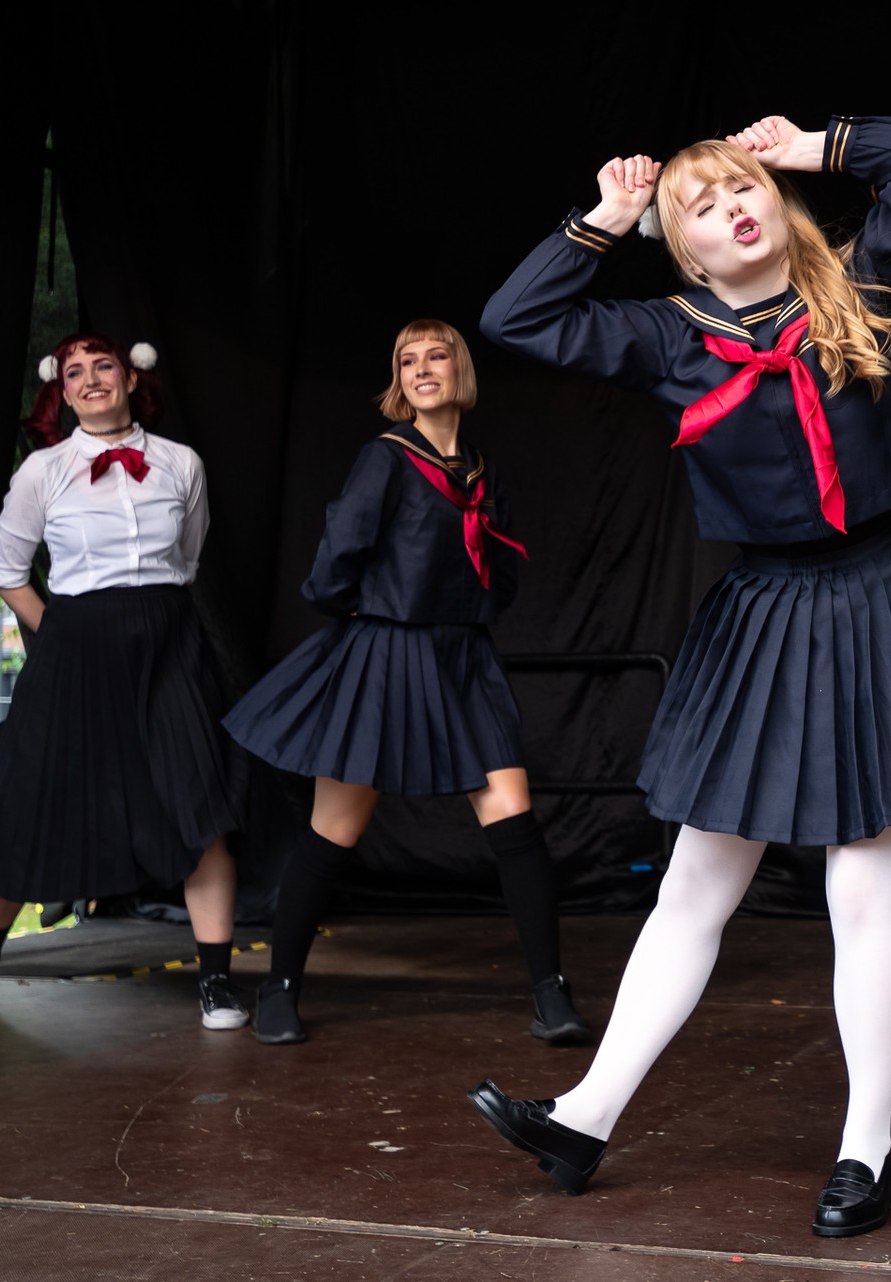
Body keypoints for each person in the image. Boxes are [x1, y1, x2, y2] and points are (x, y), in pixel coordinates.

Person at [465, 115, 891, 1238]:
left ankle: (867, 1151)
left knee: (860, 891)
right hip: (766, 616)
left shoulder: (854, 287)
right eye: (703, 204)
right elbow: (514, 318)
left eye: (745, 188)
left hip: (881, 603)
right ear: (681, 247)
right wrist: (606, 218)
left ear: (776, 201)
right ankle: (584, 1118)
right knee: (691, 888)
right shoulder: (666, 336)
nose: (734, 207)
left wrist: (810, 144)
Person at [222, 320, 589, 1049]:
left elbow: (501, 574)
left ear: (459, 371)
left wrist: (467, 614)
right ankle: (279, 987)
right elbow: (335, 560)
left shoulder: (481, 469)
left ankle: (552, 993)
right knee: (336, 828)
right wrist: (370, 612)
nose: (422, 368)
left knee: (514, 819)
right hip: (387, 654)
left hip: (465, 659)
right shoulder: (385, 458)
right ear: (399, 381)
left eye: (436, 355)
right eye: (407, 360)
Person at [0, 335, 249, 1028]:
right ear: (62, 391)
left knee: (201, 804)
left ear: (131, 377)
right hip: (75, 647)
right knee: (28, 800)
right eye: (75, 372)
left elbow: (188, 557)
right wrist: (57, 633)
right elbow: (5, 570)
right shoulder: (43, 471)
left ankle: (216, 981)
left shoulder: (182, 463)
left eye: (103, 366)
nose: (90, 380)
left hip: (168, 644)